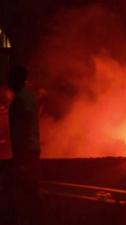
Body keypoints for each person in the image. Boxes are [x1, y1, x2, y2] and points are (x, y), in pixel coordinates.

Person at [7, 65, 41, 225]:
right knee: (31, 191)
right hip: (33, 148)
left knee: (23, 192)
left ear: (17, 80)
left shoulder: (19, 100)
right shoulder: (31, 97)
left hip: (24, 151)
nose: (8, 81)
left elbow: (21, 128)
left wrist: (18, 158)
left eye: (10, 78)